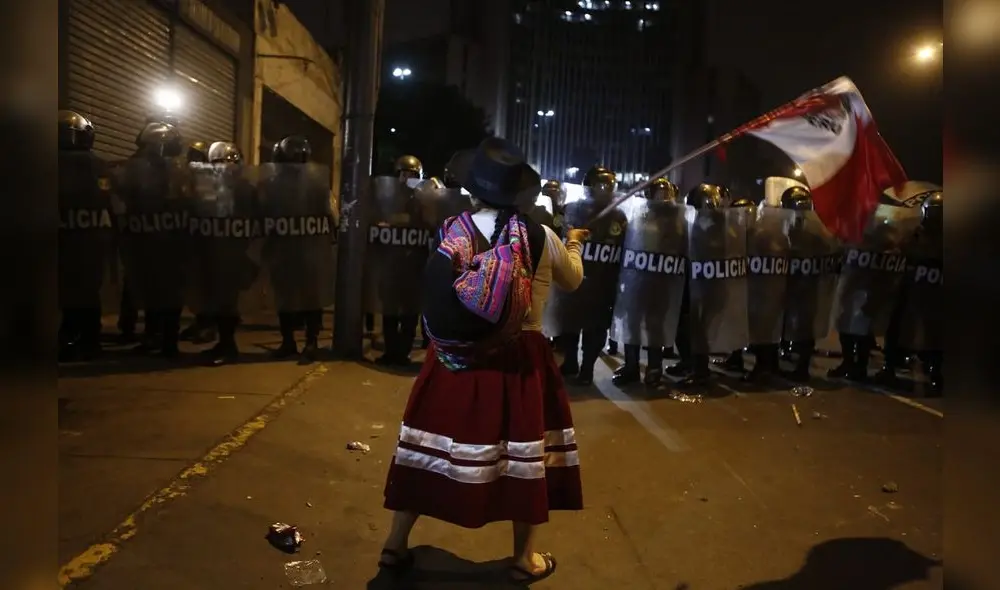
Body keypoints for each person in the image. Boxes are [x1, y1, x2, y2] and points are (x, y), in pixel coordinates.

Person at [380, 137, 586, 584]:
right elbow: (572, 280)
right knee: (525, 457)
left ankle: (395, 545)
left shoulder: (452, 231)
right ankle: (523, 558)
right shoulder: (542, 236)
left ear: (473, 191)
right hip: (520, 358)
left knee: (428, 449)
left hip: (453, 359)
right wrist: (573, 244)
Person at [58, 110, 113, 361]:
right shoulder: (99, 165)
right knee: (88, 290)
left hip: (63, 240)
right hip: (93, 241)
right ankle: (90, 341)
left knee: (65, 289)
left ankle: (70, 336)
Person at [376, 154, 425, 365]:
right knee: (389, 310)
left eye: (411, 175)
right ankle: (390, 351)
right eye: (403, 174)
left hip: (413, 263)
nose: (406, 179)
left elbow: (426, 224)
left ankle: (403, 352)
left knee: (409, 312)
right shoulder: (388, 197)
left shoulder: (423, 199)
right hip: (391, 262)